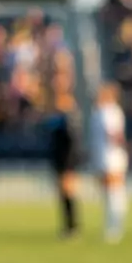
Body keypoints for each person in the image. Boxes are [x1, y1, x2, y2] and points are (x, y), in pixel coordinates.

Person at [89, 82, 129, 242]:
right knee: (107, 191)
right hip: (102, 155)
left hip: (112, 156)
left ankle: (116, 225)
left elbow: (115, 135)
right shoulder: (99, 112)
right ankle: (110, 224)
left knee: (115, 190)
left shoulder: (112, 112)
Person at [46, 91, 81, 239]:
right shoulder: (57, 119)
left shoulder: (69, 120)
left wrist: (69, 165)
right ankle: (68, 226)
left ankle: (72, 227)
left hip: (67, 162)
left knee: (68, 194)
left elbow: (72, 144)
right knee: (63, 195)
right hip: (59, 161)